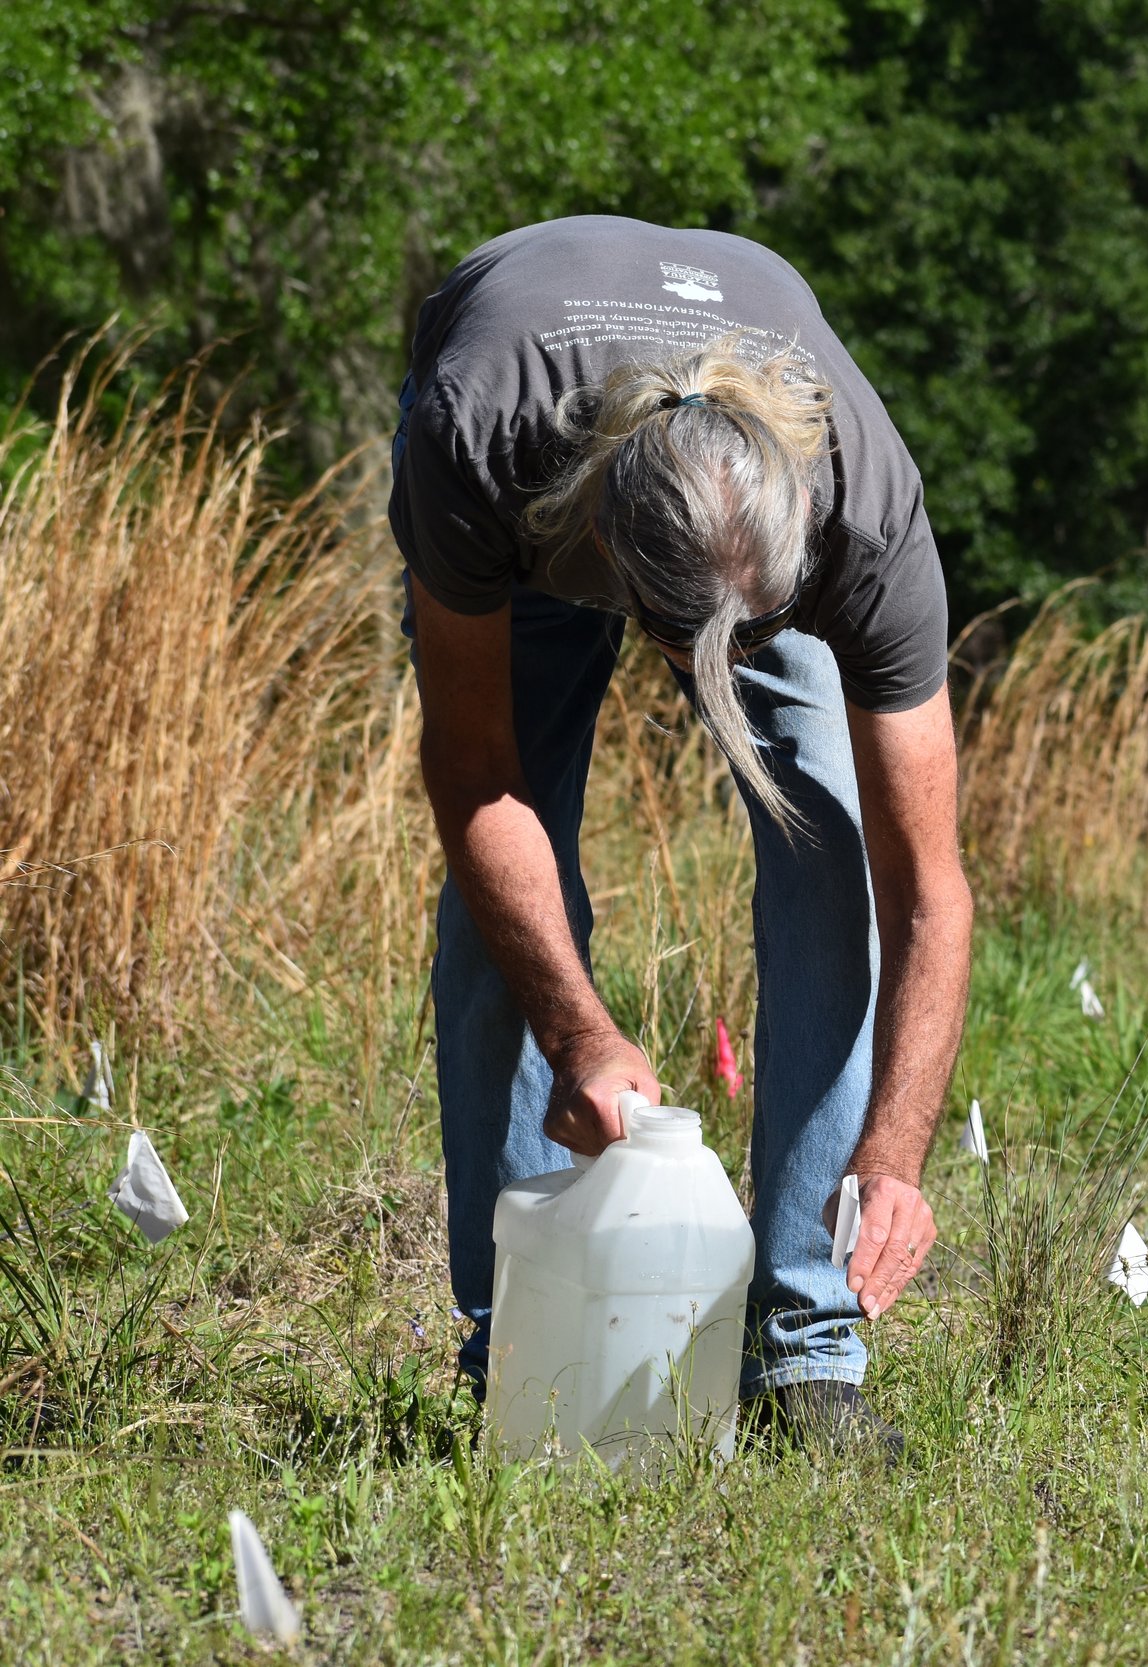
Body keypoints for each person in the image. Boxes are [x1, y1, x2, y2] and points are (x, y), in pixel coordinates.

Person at [388, 216, 974, 1447]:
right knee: (504, 882)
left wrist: (898, 1152)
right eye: (685, 642)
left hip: (752, 516)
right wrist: (579, 1031)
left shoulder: (864, 522)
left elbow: (928, 888)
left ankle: (812, 1354)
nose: (719, 672)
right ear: (607, 549)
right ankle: (516, 1348)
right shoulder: (481, 431)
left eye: (752, 636)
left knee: (832, 845)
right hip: (537, 481)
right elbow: (475, 774)